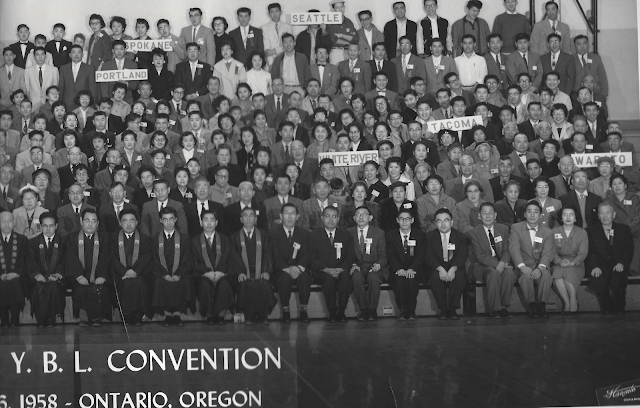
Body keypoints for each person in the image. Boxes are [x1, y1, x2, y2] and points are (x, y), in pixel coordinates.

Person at [65, 208, 111, 326]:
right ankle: (83, 318)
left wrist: (101, 276)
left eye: (93, 221)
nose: (90, 224)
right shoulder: (72, 238)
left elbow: (106, 258)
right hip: (79, 277)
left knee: (101, 289)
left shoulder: (104, 238)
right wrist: (79, 276)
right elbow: (71, 258)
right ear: (81, 221)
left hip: (98, 276)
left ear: (98, 223)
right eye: (87, 220)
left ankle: (97, 318)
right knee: (80, 290)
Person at [468, 202, 515, 318]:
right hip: (482, 266)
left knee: (509, 273)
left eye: (490, 213)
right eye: (484, 213)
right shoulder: (473, 233)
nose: (488, 216)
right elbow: (479, 256)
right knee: (493, 273)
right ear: (479, 216)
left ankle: (503, 306)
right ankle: (495, 309)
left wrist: (502, 263)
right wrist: (498, 265)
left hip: (502, 263)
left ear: (495, 215)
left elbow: (506, 250)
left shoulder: (503, 229)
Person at [309, 205, 355, 322]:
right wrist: (326, 269)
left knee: (345, 280)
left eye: (334, 217)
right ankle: (332, 312)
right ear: (322, 218)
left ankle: (341, 311)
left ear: (338, 219)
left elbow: (350, 257)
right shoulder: (314, 235)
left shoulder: (346, 235)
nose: (331, 219)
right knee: (328, 280)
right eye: (327, 216)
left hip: (340, 270)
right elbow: (312, 258)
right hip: (322, 271)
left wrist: (340, 269)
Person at [508, 201, 554, 318]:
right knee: (525, 277)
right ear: (524, 214)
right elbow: (514, 249)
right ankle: (532, 305)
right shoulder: (516, 228)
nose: (532, 215)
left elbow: (548, 253)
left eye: (535, 212)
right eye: (529, 212)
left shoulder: (547, 232)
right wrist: (522, 266)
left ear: (540, 215)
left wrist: (540, 268)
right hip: (523, 265)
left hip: (540, 265)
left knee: (546, 275)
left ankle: (542, 305)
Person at [587, 203, 634, 314]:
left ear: (613, 215)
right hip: (600, 265)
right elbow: (589, 252)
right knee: (597, 278)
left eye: (608, 213)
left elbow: (629, 249)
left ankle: (620, 307)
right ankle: (608, 307)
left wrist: (622, 263)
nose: (605, 216)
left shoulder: (624, 229)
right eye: (601, 213)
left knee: (619, 278)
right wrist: (595, 266)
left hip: (618, 264)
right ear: (598, 216)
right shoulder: (590, 231)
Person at [229, 206, 273, 324]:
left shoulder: (264, 235)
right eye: (245, 216)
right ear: (241, 219)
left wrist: (265, 271)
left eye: (251, 216)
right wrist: (240, 272)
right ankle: (249, 316)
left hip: (261, 270)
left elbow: (268, 254)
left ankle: (263, 316)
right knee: (244, 284)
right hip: (243, 272)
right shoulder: (234, 237)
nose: (248, 218)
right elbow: (234, 257)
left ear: (255, 219)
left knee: (263, 283)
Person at [191, 209, 234, 325]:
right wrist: (206, 273)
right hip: (203, 275)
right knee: (204, 284)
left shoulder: (225, 240)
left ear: (216, 222)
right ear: (201, 223)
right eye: (205, 220)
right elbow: (195, 262)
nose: (209, 223)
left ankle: (220, 315)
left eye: (212, 220)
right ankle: (209, 315)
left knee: (225, 283)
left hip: (222, 274)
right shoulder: (194, 241)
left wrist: (222, 273)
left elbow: (228, 259)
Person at [151, 206, 192, 327]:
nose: (168, 222)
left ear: (176, 220)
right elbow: (154, 260)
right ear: (160, 221)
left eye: (171, 219)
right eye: (165, 219)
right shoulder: (154, 239)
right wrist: (164, 274)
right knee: (159, 282)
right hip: (161, 273)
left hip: (180, 272)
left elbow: (186, 259)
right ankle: (167, 314)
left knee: (184, 281)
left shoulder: (184, 239)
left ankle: (178, 314)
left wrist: (178, 274)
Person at [270, 203, 311, 322]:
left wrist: (298, 268)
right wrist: (287, 269)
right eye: (286, 213)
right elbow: (274, 256)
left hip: (299, 268)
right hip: (281, 270)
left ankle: (304, 310)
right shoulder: (273, 233)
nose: (289, 216)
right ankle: (285, 310)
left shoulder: (304, 233)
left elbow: (306, 254)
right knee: (284, 278)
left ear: (297, 216)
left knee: (305, 278)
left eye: (292, 214)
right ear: (281, 216)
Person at [111, 208, 150, 326]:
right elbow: (112, 258)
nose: (128, 224)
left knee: (139, 283)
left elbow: (146, 257)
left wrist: (135, 271)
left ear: (137, 222)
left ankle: (138, 316)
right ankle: (126, 317)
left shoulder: (144, 238)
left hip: (139, 274)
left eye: (132, 221)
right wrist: (125, 272)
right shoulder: (112, 238)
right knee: (125, 284)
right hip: (120, 275)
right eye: (125, 221)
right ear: (120, 223)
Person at [425, 208, 467, 320]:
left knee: (459, 276)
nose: (443, 223)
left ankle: (453, 309)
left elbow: (462, 256)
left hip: (455, 266)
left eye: (446, 220)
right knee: (434, 276)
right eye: (439, 221)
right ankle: (443, 309)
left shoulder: (461, 237)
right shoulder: (429, 237)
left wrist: (453, 269)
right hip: (437, 266)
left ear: (452, 222)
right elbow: (428, 256)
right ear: (435, 223)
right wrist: (440, 269)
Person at [348, 205, 387, 321]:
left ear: (370, 218)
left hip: (374, 267)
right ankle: (363, 310)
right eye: (358, 214)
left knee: (373, 277)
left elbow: (383, 256)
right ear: (354, 218)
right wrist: (353, 265)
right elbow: (346, 255)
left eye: (364, 214)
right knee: (356, 277)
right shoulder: (348, 233)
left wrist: (378, 265)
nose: (361, 217)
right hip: (357, 267)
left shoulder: (379, 233)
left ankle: (372, 310)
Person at [27, 211, 65, 327]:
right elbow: (30, 262)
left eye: (51, 225)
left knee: (53, 287)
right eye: (45, 226)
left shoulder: (63, 242)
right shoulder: (33, 242)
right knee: (39, 288)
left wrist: (58, 275)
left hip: (56, 278)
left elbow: (64, 261)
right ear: (40, 226)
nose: (48, 229)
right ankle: (41, 319)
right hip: (39, 277)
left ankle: (51, 319)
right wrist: (37, 275)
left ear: (56, 226)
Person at [550, 205, 588, 315]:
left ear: (575, 218)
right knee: (557, 273)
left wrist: (573, 262)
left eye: (571, 215)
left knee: (570, 272)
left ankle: (573, 300)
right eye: (565, 215)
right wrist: (559, 261)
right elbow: (551, 250)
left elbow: (583, 252)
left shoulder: (582, 233)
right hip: (559, 262)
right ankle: (566, 302)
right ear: (561, 218)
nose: (568, 217)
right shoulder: (554, 232)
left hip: (576, 263)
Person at [604, 174, 640, 274]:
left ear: (625, 185)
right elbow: (605, 219)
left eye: (620, 183)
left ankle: (634, 273)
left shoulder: (635, 198)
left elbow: (638, 218)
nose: (617, 186)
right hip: (615, 235)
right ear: (611, 187)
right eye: (614, 184)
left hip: (634, 233)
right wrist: (620, 233)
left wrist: (627, 231)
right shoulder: (607, 201)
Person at [0, 211, 28, 327]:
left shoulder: (22, 239)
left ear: (14, 222)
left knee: (15, 282)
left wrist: (16, 273)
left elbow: (24, 260)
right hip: (0, 276)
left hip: (18, 276)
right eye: (3, 221)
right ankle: (4, 319)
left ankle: (15, 318)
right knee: (3, 283)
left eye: (9, 221)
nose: (7, 224)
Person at [24, 47, 59, 113]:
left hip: (49, 104)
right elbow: (27, 89)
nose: (40, 57)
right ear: (34, 57)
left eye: (42, 54)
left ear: (45, 56)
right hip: (34, 103)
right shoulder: (28, 71)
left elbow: (55, 88)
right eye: (37, 55)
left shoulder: (54, 70)